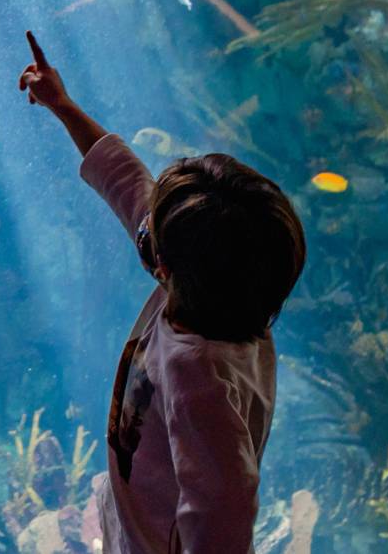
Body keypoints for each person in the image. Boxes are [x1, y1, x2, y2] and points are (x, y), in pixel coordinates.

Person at [17, 31, 306, 553]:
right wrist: (64, 107)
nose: (143, 221)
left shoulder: (201, 378)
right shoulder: (226, 290)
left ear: (161, 265)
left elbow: (224, 514)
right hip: (133, 520)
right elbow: (125, 180)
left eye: (153, 227)